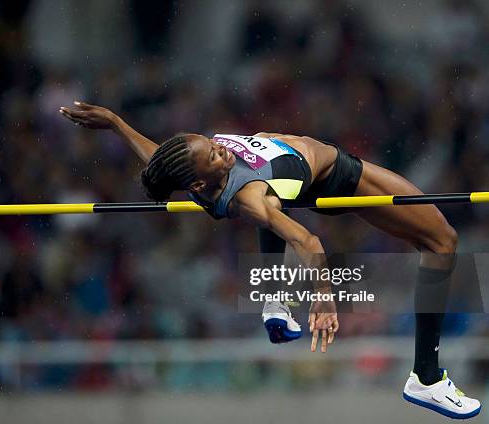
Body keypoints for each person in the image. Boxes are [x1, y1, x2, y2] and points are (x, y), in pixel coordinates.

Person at [59, 101, 481, 420]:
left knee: (271, 202)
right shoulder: (248, 195)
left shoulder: (188, 169)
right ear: (202, 180)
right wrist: (322, 296)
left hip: (292, 178)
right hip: (340, 177)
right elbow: (308, 240)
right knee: (442, 240)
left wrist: (115, 123)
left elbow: (158, 159)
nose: (222, 150)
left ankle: (274, 302)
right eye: (216, 156)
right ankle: (426, 377)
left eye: (212, 145)